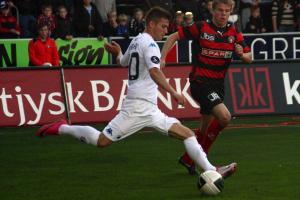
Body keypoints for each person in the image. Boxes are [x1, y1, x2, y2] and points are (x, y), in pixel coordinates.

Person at [36, 7, 236, 179]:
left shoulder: (136, 41)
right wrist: (174, 93)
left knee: (187, 134)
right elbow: (155, 71)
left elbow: (124, 63)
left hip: (150, 108)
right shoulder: (150, 45)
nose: (166, 31)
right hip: (136, 108)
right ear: (151, 24)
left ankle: (212, 170)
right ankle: (62, 128)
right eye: (163, 26)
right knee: (101, 141)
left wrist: (117, 55)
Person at [161, 0, 252, 174]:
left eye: (226, 11)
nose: (223, 14)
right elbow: (173, 36)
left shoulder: (234, 32)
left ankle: (189, 159)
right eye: (220, 10)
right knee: (224, 117)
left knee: (204, 128)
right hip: (200, 83)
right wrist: (163, 57)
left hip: (218, 86)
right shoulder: (201, 27)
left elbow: (249, 57)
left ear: (230, 11)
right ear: (213, 10)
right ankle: (201, 159)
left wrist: (242, 54)